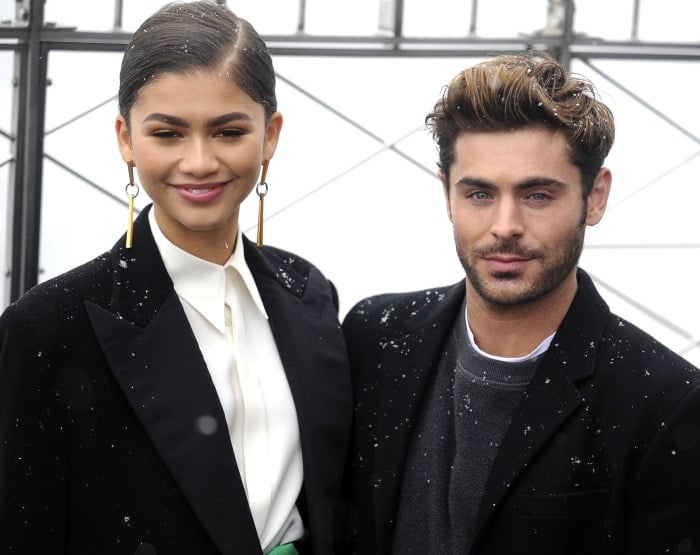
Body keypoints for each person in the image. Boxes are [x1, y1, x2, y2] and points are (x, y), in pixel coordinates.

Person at [0, 2, 351, 554]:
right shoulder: (48, 327)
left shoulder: (308, 293)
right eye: (167, 134)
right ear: (125, 138)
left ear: (270, 135)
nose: (199, 162)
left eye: (229, 132)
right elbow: (24, 529)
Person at [338, 51, 700, 554]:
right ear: (447, 194)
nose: (505, 225)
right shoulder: (374, 336)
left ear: (595, 197)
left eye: (537, 195)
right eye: (480, 195)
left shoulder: (665, 401)